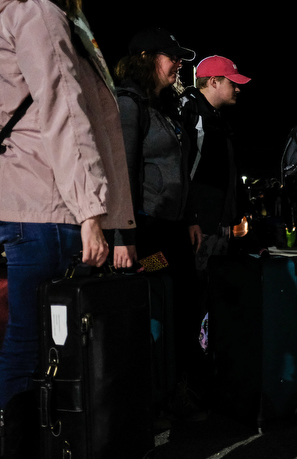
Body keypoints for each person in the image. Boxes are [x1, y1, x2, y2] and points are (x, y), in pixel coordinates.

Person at [0, 0, 136, 455]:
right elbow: (64, 112)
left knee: (26, 342)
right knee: (40, 348)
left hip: (20, 202)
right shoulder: (38, 11)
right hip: (49, 205)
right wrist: (90, 213)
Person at [115, 27, 204, 421]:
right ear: (148, 58)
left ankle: (179, 388)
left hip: (173, 230)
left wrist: (189, 219)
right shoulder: (129, 104)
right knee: (156, 304)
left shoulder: (164, 106)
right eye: (172, 57)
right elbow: (123, 175)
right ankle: (150, 396)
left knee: (185, 309)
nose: (179, 64)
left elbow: (178, 170)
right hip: (148, 235)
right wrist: (124, 238)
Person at [180, 55, 251, 278]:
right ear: (213, 82)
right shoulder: (189, 114)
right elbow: (181, 171)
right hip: (196, 227)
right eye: (232, 83)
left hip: (216, 225)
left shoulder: (218, 120)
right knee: (192, 288)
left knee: (213, 291)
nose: (238, 89)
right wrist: (190, 218)